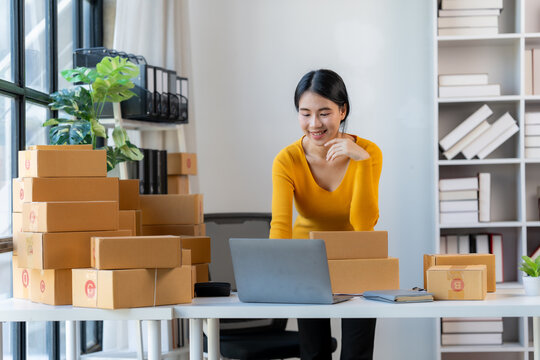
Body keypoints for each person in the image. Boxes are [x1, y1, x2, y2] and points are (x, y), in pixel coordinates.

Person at [269, 69, 383, 360]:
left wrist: (362, 162)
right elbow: (280, 225)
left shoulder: (368, 152)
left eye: (324, 113)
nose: (314, 124)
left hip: (357, 259)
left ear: (342, 111)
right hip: (308, 264)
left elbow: (363, 222)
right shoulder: (287, 159)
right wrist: (274, 275)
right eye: (305, 113)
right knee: (314, 352)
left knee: (357, 353)